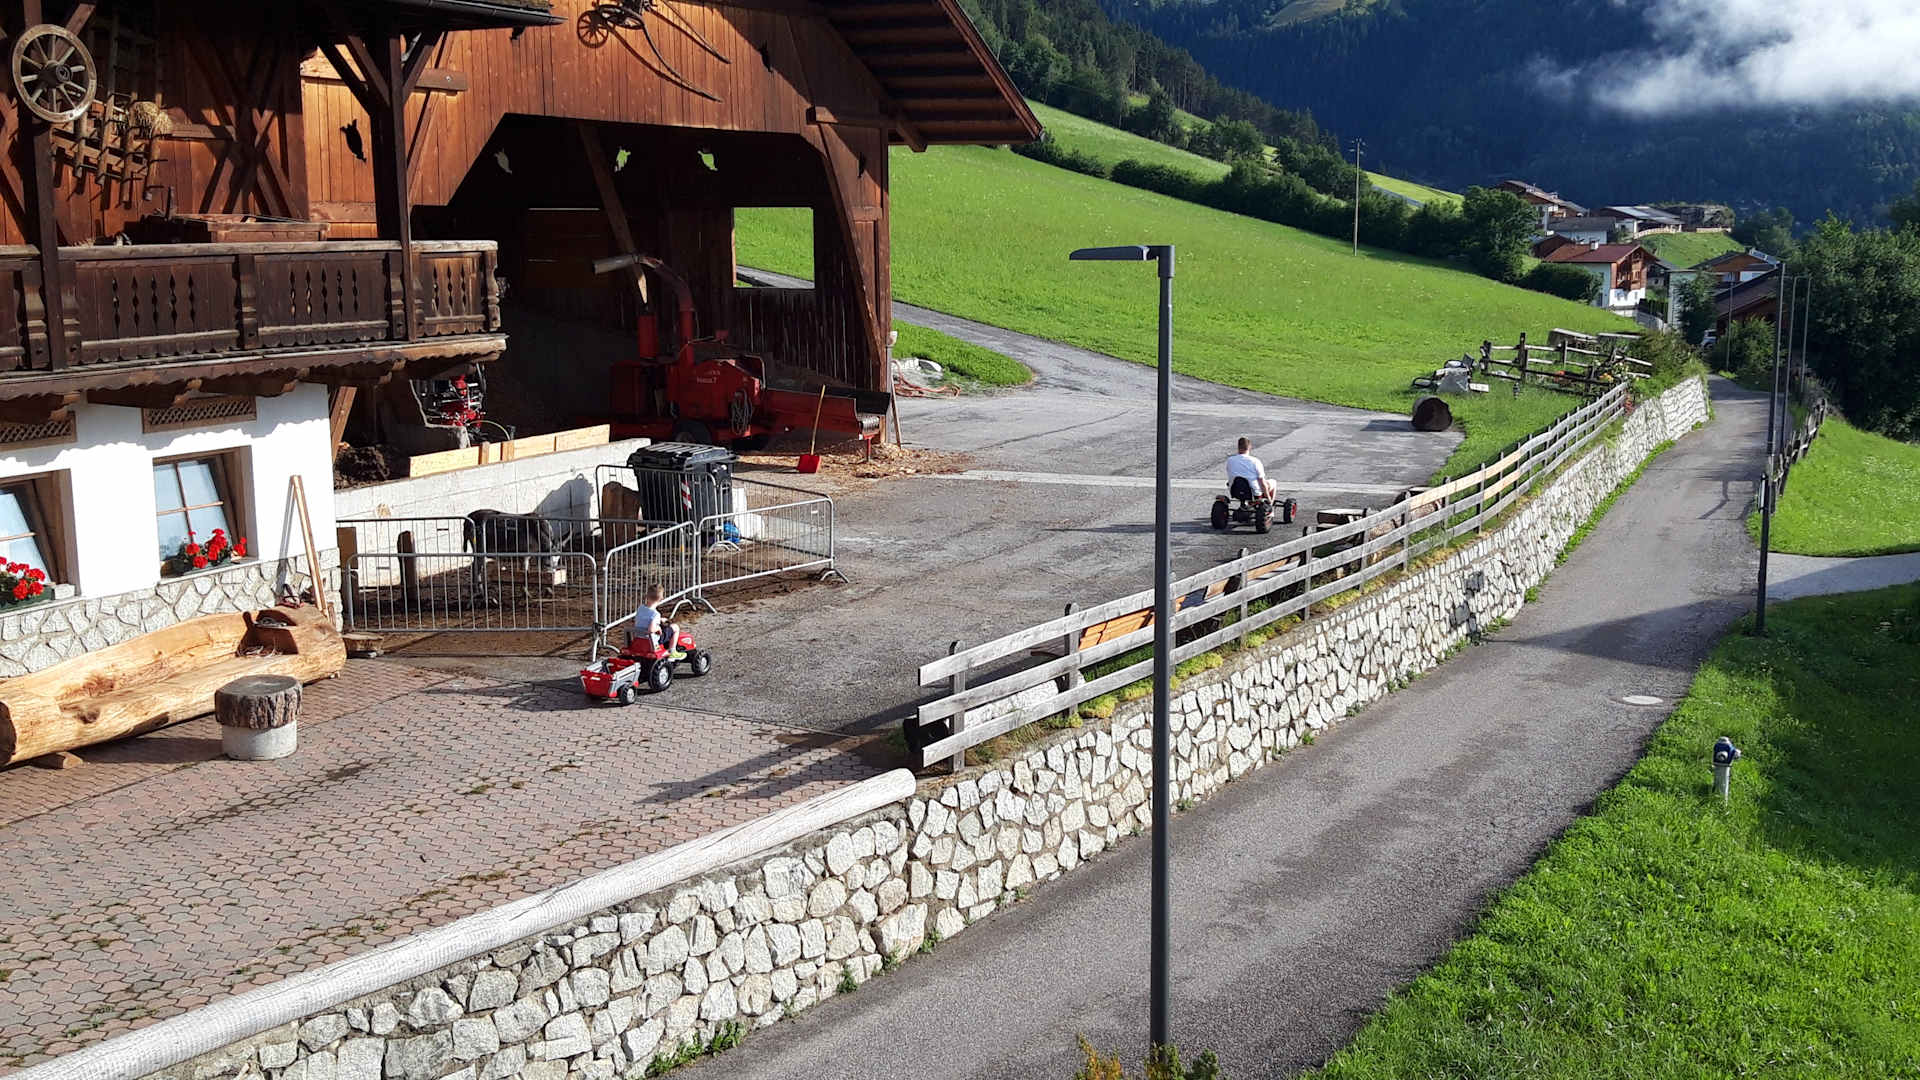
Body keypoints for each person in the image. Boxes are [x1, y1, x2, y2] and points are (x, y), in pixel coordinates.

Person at [631, 583, 684, 658]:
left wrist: (659, 620)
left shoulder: (640, 608)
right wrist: (658, 628)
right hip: (652, 640)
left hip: (639, 637)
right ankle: (672, 651)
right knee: (675, 628)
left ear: (647, 596)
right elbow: (651, 629)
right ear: (661, 598)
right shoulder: (655, 614)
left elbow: (644, 619)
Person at [1225, 436, 1275, 502]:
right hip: (1254, 493)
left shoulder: (1230, 460)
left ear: (1238, 447)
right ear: (1249, 447)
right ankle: (1270, 504)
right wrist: (1268, 497)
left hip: (1235, 491)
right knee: (1273, 482)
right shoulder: (1255, 461)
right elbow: (1262, 482)